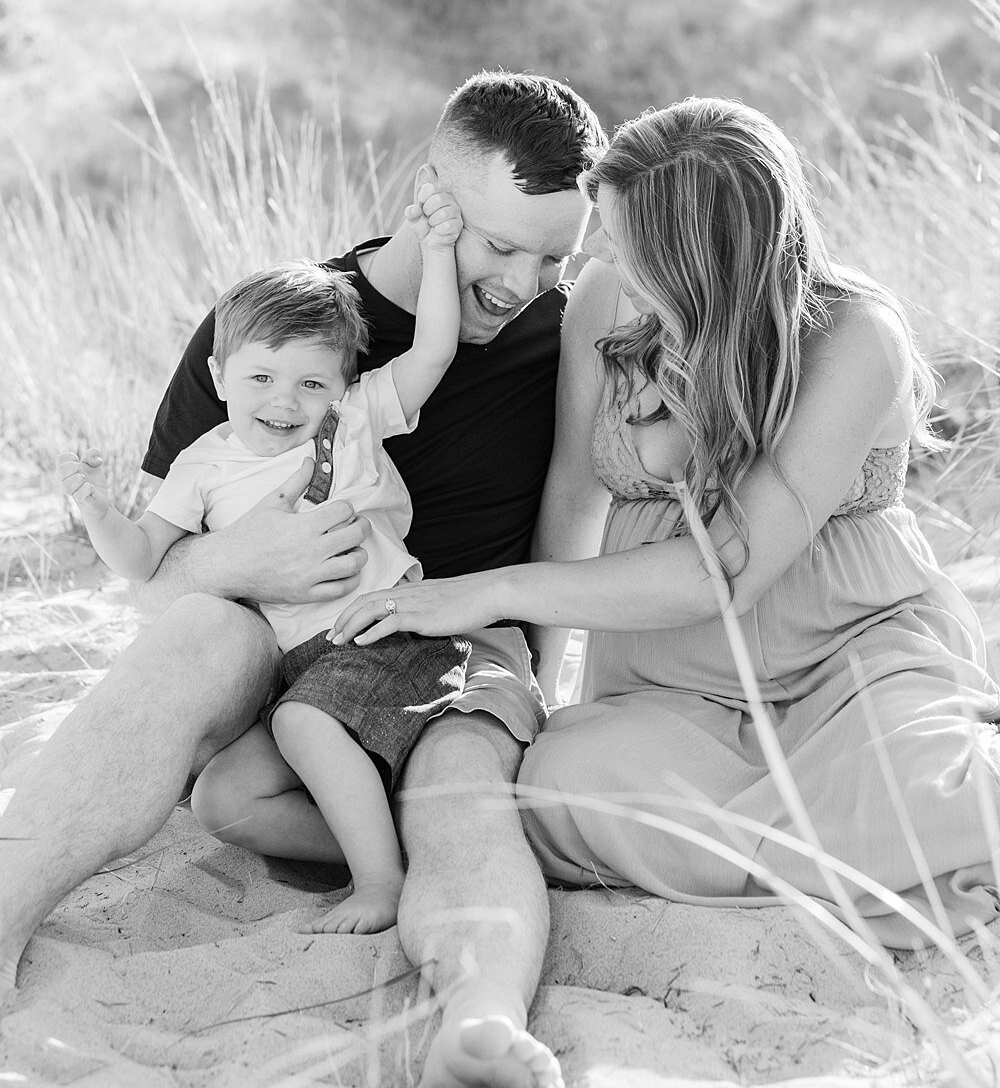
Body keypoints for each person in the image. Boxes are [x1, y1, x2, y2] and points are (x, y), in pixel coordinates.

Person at [0, 72, 605, 1088]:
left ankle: (478, 1021)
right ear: (434, 198)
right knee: (203, 655)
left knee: (458, 774)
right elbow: (153, 585)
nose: (522, 281)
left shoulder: (557, 335)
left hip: (454, 643)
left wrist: (536, 686)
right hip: (273, 643)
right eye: (499, 246)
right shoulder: (283, 333)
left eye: (555, 255)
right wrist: (237, 563)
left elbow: (564, 529)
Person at [333, 96, 1000, 949]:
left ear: (700, 261)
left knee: (927, 789)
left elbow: (720, 569)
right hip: (666, 692)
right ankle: (880, 873)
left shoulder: (854, 336)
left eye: (624, 240)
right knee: (564, 788)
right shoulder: (606, 302)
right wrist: (541, 684)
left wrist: (482, 593)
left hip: (851, 664)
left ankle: (882, 850)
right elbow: (572, 504)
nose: (601, 257)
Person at [58, 179, 471, 936]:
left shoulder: (352, 421)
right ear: (219, 377)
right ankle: (404, 847)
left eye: (311, 381)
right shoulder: (202, 466)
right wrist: (97, 511)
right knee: (223, 801)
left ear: (342, 385)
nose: (285, 400)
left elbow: (437, 348)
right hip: (301, 666)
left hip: (386, 632)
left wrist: (438, 248)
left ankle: (381, 883)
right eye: (261, 377)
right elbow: (143, 560)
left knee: (305, 730)